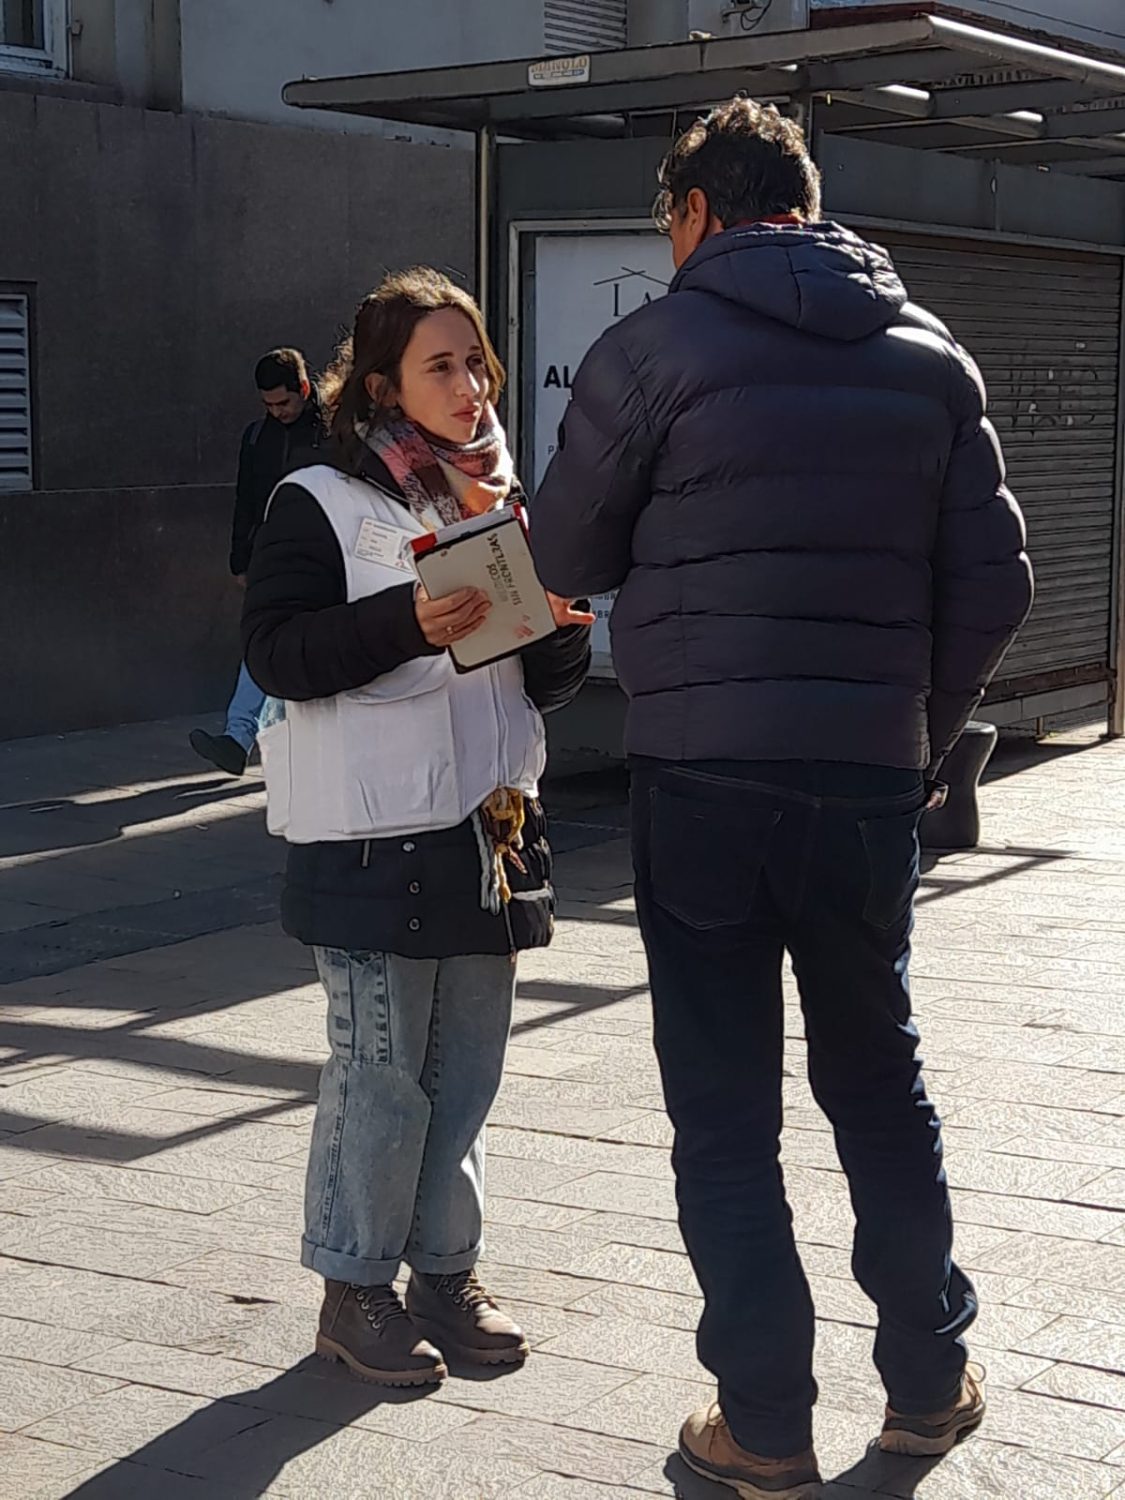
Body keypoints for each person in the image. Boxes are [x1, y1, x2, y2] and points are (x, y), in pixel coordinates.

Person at [531, 99, 1033, 1499]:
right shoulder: (931, 357)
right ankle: (928, 1385)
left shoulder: (650, 350)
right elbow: (998, 582)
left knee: (725, 1110)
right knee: (880, 1084)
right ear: (806, 206)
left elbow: (570, 546)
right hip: (865, 784)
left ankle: (763, 1424)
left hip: (702, 782)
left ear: (693, 212)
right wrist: (913, 738)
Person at [242, 268, 592, 1386]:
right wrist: (405, 619)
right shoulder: (321, 499)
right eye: (441, 364)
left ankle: (447, 1270)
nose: (470, 383)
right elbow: (277, 655)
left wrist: (560, 633)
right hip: (368, 833)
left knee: (466, 1070)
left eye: (476, 361)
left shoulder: (493, 497)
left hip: (489, 828)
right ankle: (355, 1290)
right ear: (383, 382)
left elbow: (538, 684)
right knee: (381, 1070)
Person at [190, 348, 323, 778]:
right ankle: (238, 737)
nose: (277, 412)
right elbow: (245, 500)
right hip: (270, 555)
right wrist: (239, 558)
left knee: (292, 652)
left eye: (284, 403)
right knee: (262, 643)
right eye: (268, 405)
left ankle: (265, 743)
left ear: (304, 389)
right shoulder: (257, 437)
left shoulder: (330, 431)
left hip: (320, 558)